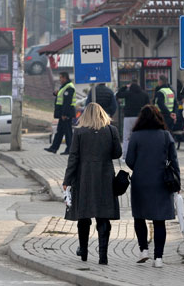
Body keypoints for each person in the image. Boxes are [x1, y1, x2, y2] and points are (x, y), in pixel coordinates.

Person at [61, 103, 122, 265]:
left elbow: (73, 157)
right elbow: (117, 153)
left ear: (85, 115)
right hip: (105, 178)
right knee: (103, 217)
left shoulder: (79, 132)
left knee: (84, 216)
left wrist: (67, 180)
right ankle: (103, 256)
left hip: (84, 178)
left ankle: (84, 251)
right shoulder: (111, 130)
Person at [126, 104, 180, 268]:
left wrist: (139, 167)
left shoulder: (136, 136)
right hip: (161, 181)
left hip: (140, 181)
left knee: (139, 216)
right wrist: (177, 181)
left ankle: (143, 250)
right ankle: (158, 258)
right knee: (159, 220)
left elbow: (129, 160)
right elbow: (174, 159)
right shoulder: (165, 135)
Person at [116, 79, 150, 157]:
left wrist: (125, 87)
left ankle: (125, 154)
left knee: (126, 137)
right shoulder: (144, 94)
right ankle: (141, 153)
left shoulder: (128, 93)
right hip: (140, 117)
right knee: (140, 136)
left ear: (131, 85)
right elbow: (148, 106)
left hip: (128, 117)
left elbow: (118, 94)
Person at [45, 71, 75, 154]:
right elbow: (61, 97)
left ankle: (70, 149)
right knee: (60, 132)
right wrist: (56, 93)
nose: (60, 79)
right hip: (63, 113)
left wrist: (64, 114)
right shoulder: (64, 86)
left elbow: (67, 102)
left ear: (65, 78)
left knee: (68, 132)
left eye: (61, 78)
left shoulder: (69, 87)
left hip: (66, 114)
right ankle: (54, 148)